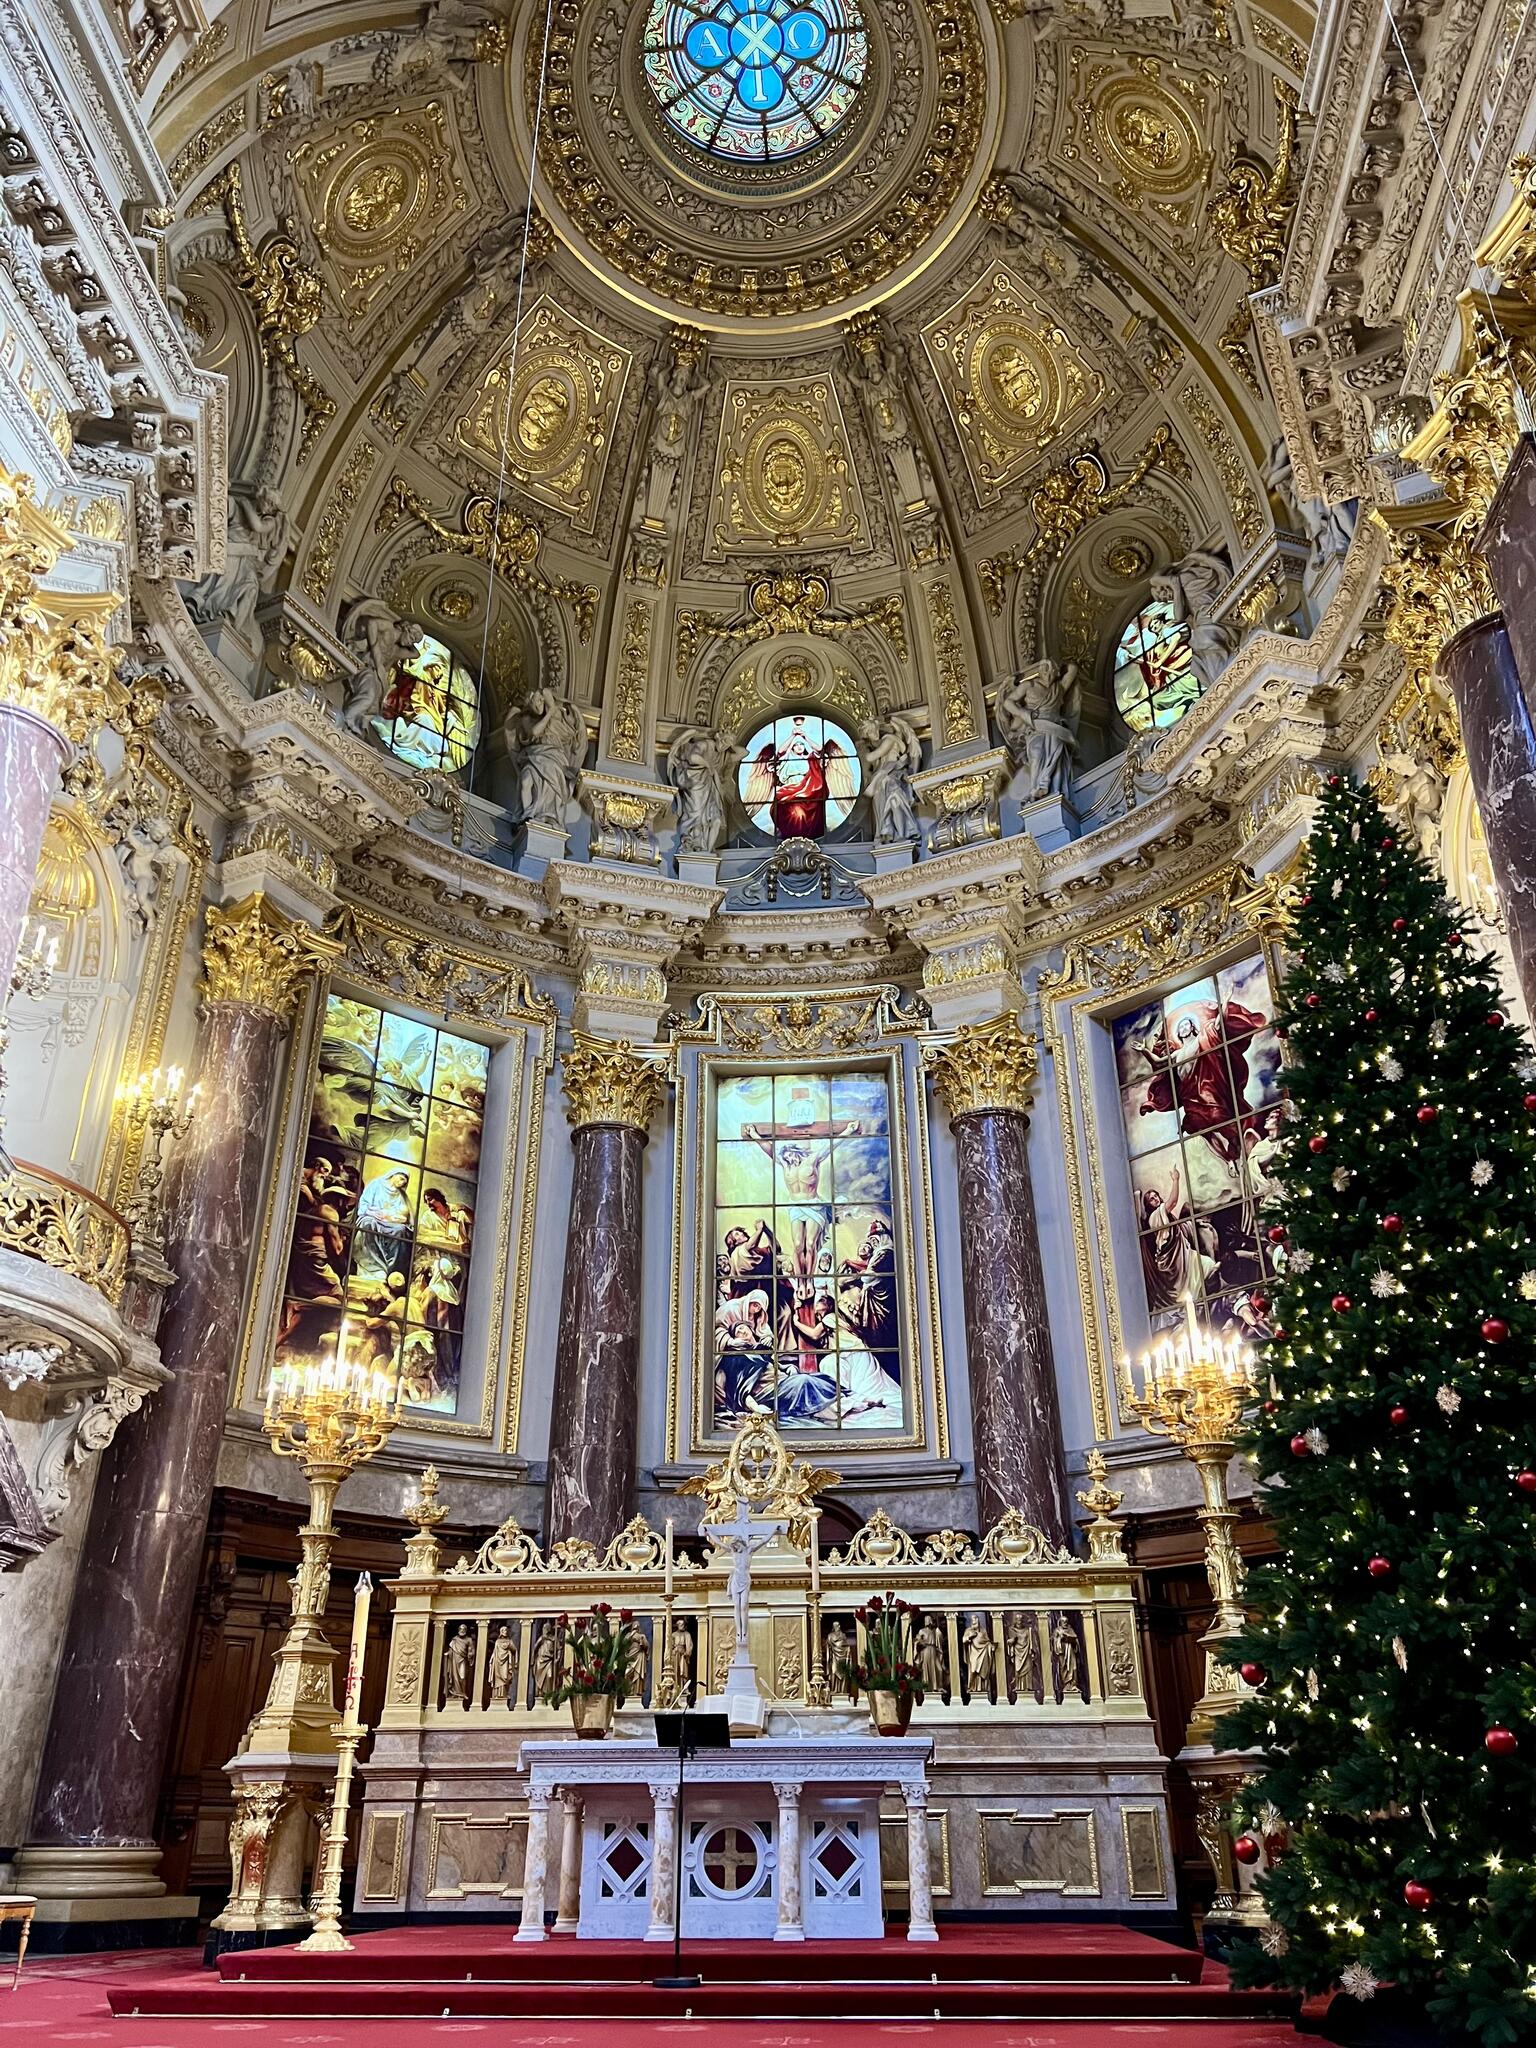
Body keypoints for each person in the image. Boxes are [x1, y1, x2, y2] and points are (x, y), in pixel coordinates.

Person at [354, 1169, 414, 1281]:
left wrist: (394, 1217)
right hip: (372, 1217)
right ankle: (372, 1267)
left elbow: (404, 1215)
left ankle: (390, 1271)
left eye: (404, 1182)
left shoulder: (400, 1194)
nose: (402, 1183)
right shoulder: (376, 1185)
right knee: (368, 1223)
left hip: (389, 1222)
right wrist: (373, 1213)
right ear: (394, 1174)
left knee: (400, 1230)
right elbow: (364, 1204)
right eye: (401, 1179)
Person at [488, 1624, 516, 1704]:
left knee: (505, 1677)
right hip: (497, 1662)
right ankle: (497, 1695)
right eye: (503, 1630)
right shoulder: (497, 1642)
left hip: (506, 1662)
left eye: (506, 1630)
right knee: (497, 1679)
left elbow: (514, 1650)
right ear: (501, 1632)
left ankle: (504, 1695)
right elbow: (494, 1652)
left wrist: (510, 1648)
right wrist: (491, 1659)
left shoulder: (510, 1641)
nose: (505, 1632)